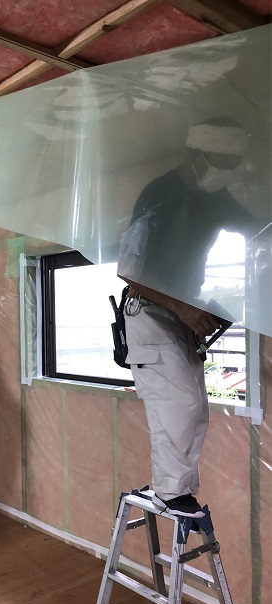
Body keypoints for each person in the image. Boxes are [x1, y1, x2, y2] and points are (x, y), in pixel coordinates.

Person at [117, 117, 255, 519]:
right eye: (223, 163)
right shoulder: (160, 193)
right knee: (177, 402)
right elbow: (129, 269)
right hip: (149, 311)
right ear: (198, 155)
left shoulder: (212, 198)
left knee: (194, 408)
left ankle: (179, 489)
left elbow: (258, 227)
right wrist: (186, 308)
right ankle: (170, 492)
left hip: (180, 312)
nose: (228, 173)